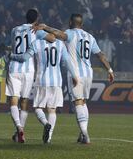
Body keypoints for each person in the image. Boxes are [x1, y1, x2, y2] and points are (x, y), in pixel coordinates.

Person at [33, 13, 115, 144]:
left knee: (77, 102)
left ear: (71, 22)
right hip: (88, 73)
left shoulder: (70, 33)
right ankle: (82, 134)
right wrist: (110, 70)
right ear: (81, 24)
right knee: (83, 102)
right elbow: (101, 55)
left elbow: (59, 34)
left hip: (76, 73)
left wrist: (45, 27)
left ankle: (85, 134)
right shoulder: (90, 37)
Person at [10, 38, 78, 143]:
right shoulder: (60, 44)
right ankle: (48, 138)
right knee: (52, 110)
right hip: (56, 82)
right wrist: (74, 75)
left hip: (42, 81)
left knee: (38, 108)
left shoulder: (37, 43)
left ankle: (46, 124)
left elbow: (25, 57)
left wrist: (11, 55)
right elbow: (67, 61)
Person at [6, 9, 55, 143]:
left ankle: (19, 129)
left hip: (14, 68)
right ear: (37, 19)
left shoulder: (15, 30)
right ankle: (20, 131)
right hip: (28, 70)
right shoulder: (37, 31)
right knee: (24, 102)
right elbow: (52, 38)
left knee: (13, 101)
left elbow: (14, 45)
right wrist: (43, 27)